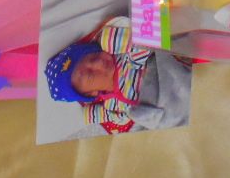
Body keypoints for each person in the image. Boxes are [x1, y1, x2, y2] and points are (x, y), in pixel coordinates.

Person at [44, 16, 193, 134]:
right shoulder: (110, 104)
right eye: (90, 74)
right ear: (91, 94)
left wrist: (107, 39)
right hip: (154, 113)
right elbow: (121, 118)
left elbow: (142, 46)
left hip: (164, 82)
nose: (98, 63)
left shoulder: (125, 61)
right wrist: (94, 114)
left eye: (94, 56)